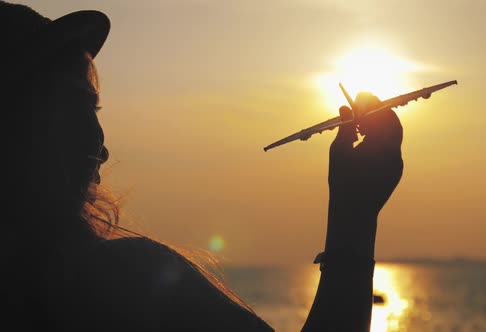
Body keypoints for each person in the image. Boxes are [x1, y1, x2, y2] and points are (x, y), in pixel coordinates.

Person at [2, 2, 403, 331]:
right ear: (18, 120)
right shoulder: (114, 281)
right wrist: (355, 212)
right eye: (79, 105)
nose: (100, 146)